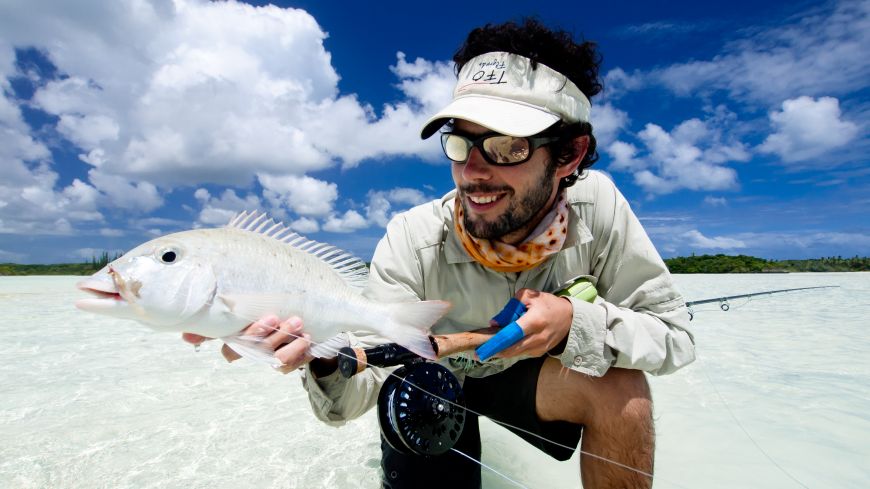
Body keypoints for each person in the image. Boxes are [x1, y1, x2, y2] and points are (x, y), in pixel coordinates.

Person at [185, 18, 695, 489]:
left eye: (508, 146)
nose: (473, 171)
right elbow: (350, 403)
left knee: (622, 389)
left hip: (524, 375)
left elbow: (674, 336)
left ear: (569, 155)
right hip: (426, 382)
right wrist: (319, 354)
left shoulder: (599, 205)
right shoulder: (410, 236)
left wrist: (572, 323)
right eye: (462, 143)